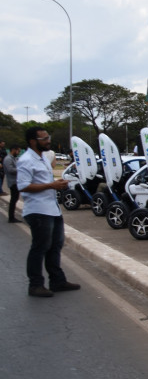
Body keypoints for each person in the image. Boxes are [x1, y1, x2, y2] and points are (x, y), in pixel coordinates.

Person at [17, 126, 79, 297]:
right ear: (32, 141)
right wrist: (51, 185)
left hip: (52, 208)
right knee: (40, 247)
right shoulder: (26, 160)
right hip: (38, 210)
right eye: (44, 139)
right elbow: (23, 186)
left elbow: (43, 180)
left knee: (55, 245)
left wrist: (55, 182)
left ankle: (57, 281)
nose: (48, 141)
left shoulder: (43, 157)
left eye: (48, 137)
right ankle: (35, 285)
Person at [4, 143, 21, 222]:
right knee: (13, 200)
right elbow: (10, 170)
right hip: (13, 182)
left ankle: (12, 216)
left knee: (15, 199)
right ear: (14, 150)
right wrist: (20, 170)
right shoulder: (8, 159)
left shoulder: (14, 158)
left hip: (16, 181)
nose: (18, 152)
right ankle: (11, 217)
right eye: (18, 151)